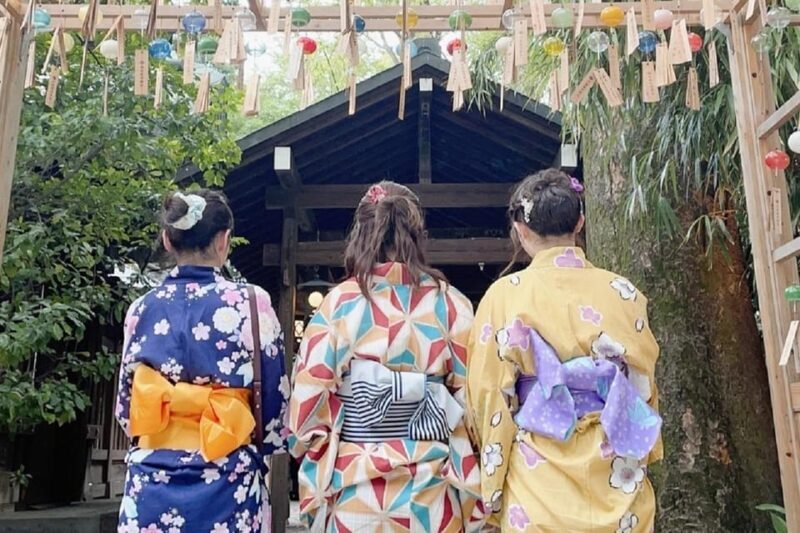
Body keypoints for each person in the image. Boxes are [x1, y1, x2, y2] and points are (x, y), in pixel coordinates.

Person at [467, 169, 662, 532]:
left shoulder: (504, 296)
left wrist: (492, 483)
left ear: (521, 230)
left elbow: (489, 396)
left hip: (538, 469)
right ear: (580, 222)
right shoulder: (623, 292)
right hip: (613, 461)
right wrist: (642, 446)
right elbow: (642, 384)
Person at [288, 181, 485, 532]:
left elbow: (307, 403)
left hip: (356, 489)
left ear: (361, 233)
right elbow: (473, 403)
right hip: (432, 489)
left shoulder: (340, 304)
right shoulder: (451, 304)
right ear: (418, 234)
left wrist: (317, 451)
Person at [115, 190, 289, 533]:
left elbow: (126, 409)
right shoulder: (251, 303)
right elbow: (274, 404)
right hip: (228, 475)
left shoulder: (141, 309)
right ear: (224, 240)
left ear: (168, 240)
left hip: (151, 479)